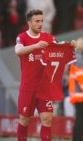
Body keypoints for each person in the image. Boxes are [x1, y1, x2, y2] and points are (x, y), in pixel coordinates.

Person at [15, 9, 56, 141]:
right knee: (24, 119)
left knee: (47, 119)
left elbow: (58, 49)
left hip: (45, 87)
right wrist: (36, 46)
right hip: (28, 87)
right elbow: (18, 51)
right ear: (29, 22)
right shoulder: (22, 37)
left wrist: (70, 46)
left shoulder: (47, 37)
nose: (40, 24)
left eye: (41, 21)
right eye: (37, 21)